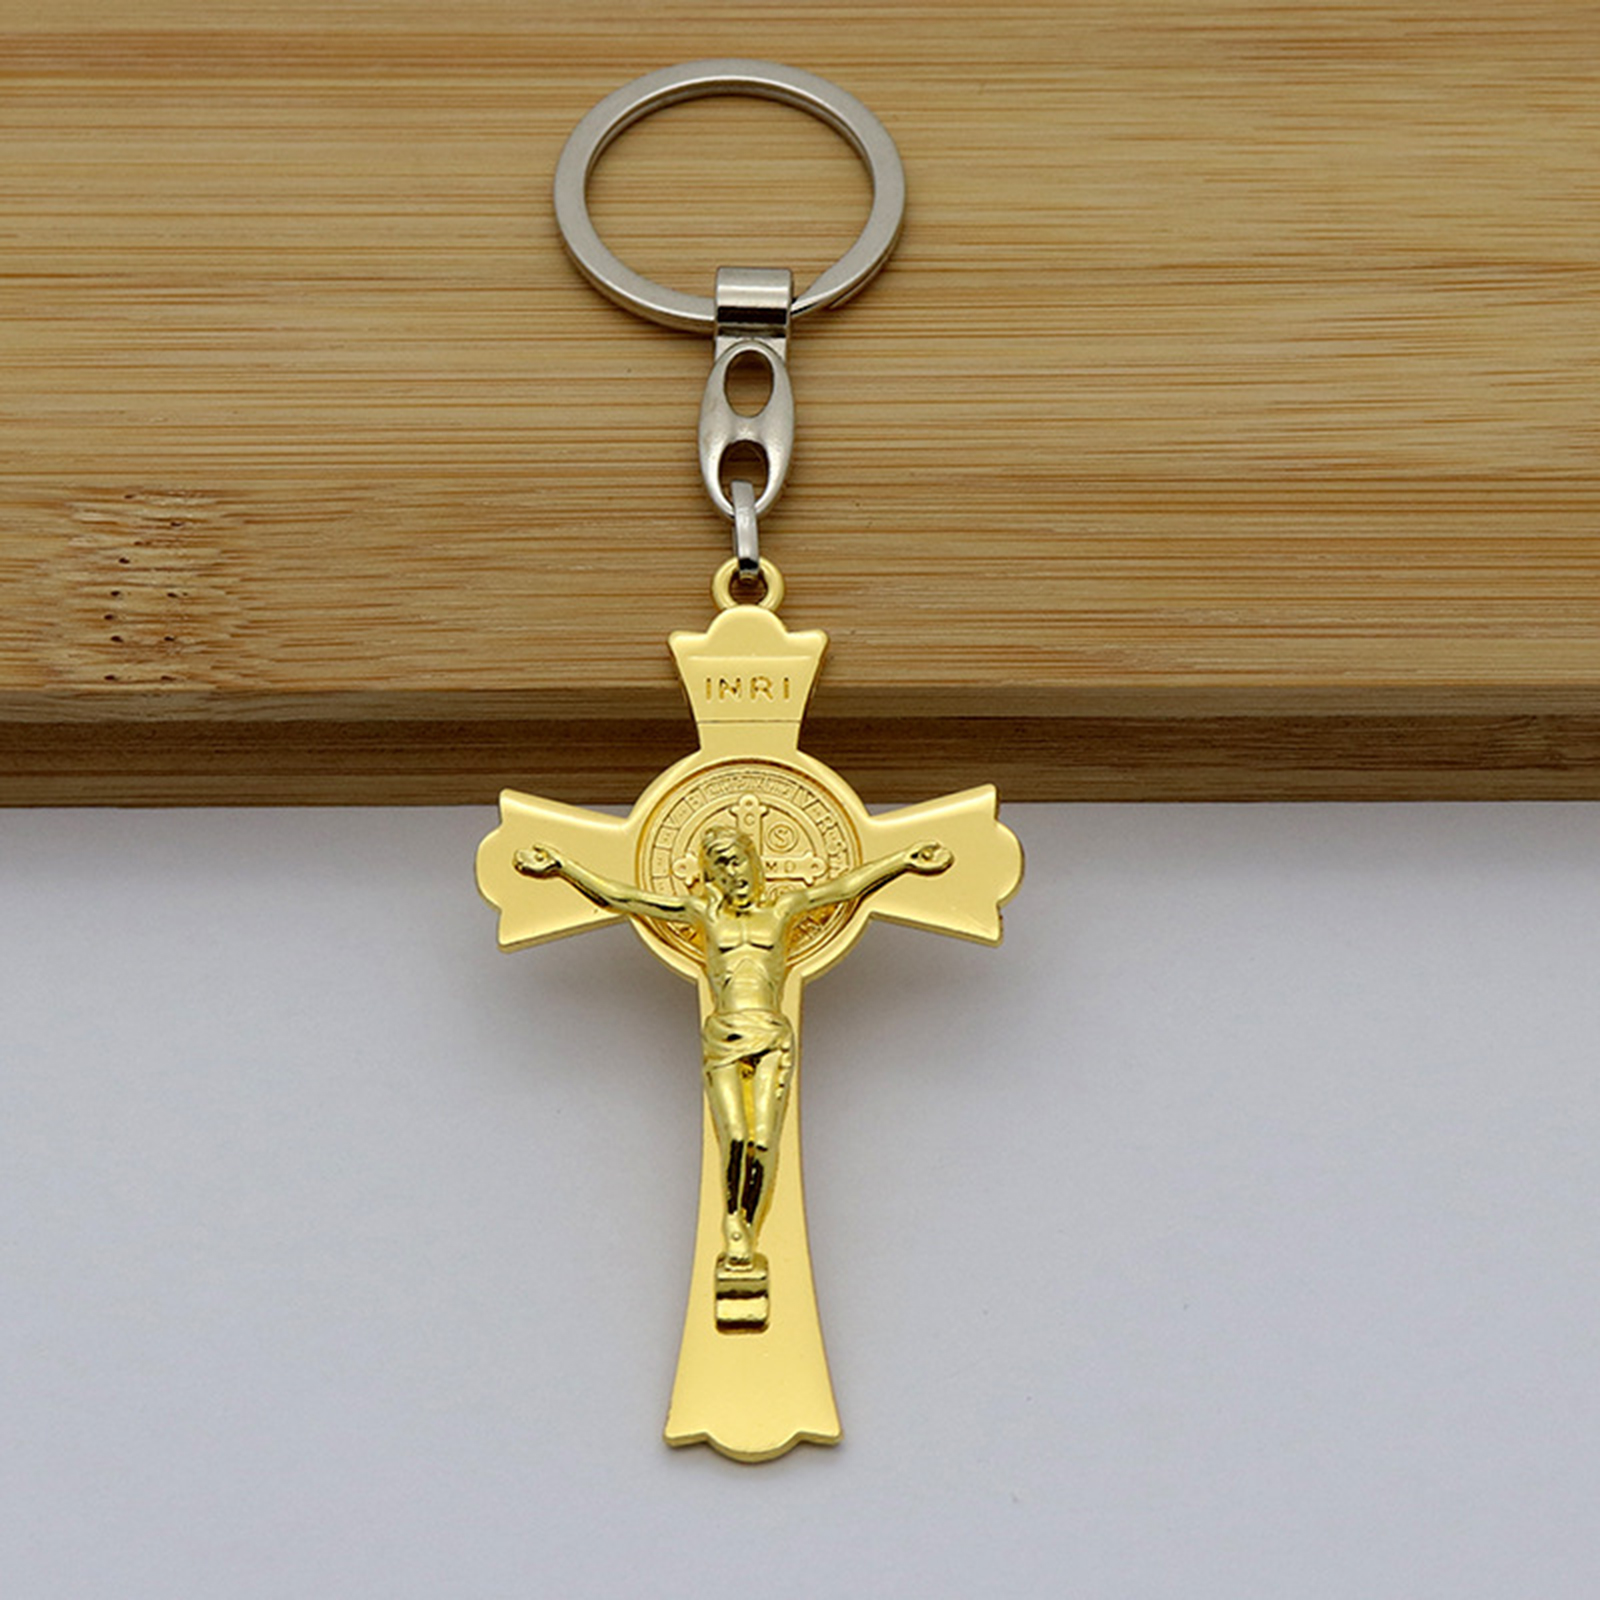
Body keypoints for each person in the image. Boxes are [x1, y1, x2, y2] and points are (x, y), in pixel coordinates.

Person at [514, 825, 953, 1320]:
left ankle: (750, 1227)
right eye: (720, 866)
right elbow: (623, 898)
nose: (732, 873)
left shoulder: (782, 910)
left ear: (754, 862)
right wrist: (564, 868)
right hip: (723, 1037)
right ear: (710, 876)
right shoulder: (704, 914)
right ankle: (735, 1230)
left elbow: (845, 888)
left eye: (737, 861)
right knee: (735, 1137)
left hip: (771, 1036)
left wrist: (903, 860)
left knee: (763, 1141)